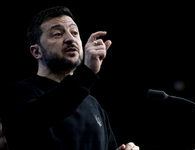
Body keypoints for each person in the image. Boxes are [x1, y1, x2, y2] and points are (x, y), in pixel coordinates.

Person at [1, 6, 139, 150]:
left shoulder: (93, 104)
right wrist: (87, 73)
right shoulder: (18, 94)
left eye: (74, 32)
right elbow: (37, 118)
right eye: (57, 34)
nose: (70, 39)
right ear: (36, 51)